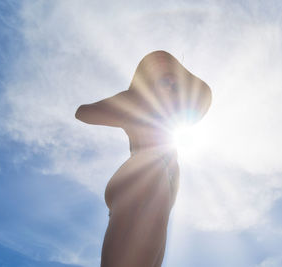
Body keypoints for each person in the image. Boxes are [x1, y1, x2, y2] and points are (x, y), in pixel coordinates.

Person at [75, 50, 212, 267]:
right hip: (143, 173)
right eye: (164, 80)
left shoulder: (173, 120)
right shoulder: (136, 103)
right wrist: (129, 107)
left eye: (175, 85)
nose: (170, 87)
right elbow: (84, 113)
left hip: (160, 190)